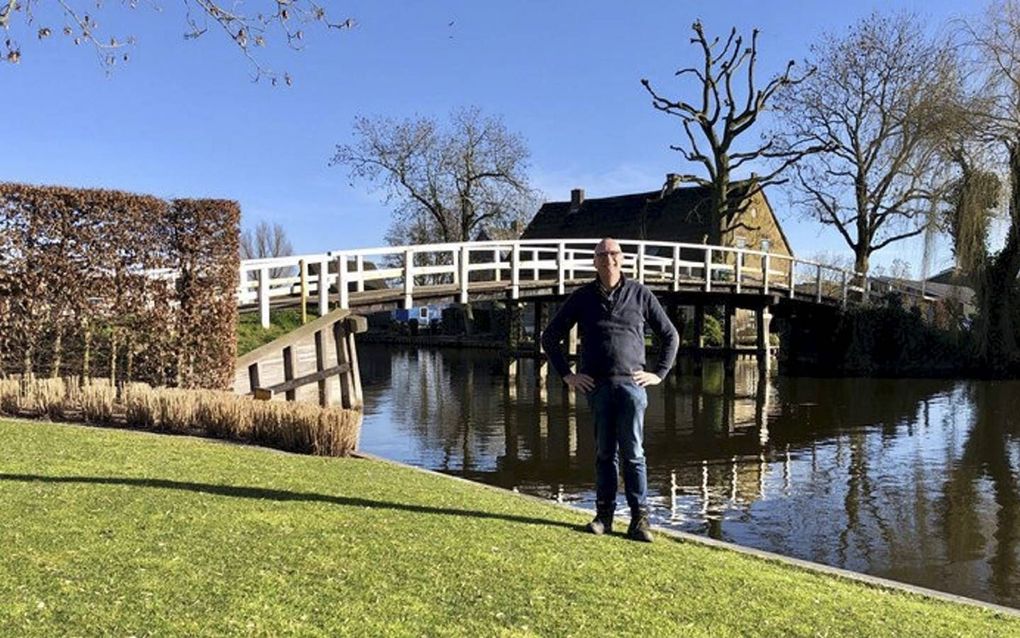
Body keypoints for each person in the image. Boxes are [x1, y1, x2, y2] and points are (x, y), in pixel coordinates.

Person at [541, 237, 679, 542]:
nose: (609, 259)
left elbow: (670, 335)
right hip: (598, 386)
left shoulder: (640, 294)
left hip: (632, 386)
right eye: (602, 255)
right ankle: (604, 516)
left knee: (633, 453)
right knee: (604, 453)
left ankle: (639, 520)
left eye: (614, 254)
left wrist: (659, 373)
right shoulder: (582, 297)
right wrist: (568, 375)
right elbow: (550, 336)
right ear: (594, 262)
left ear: (622, 259)